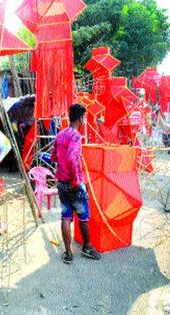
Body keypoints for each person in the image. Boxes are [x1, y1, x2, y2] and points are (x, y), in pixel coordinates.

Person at [51, 104, 101, 264]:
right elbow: (72, 158)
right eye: (84, 117)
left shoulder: (60, 135)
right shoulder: (76, 136)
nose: (85, 120)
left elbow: (53, 157)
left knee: (66, 216)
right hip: (73, 183)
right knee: (84, 216)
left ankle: (68, 253)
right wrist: (76, 181)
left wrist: (64, 168)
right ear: (80, 118)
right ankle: (87, 247)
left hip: (61, 182)